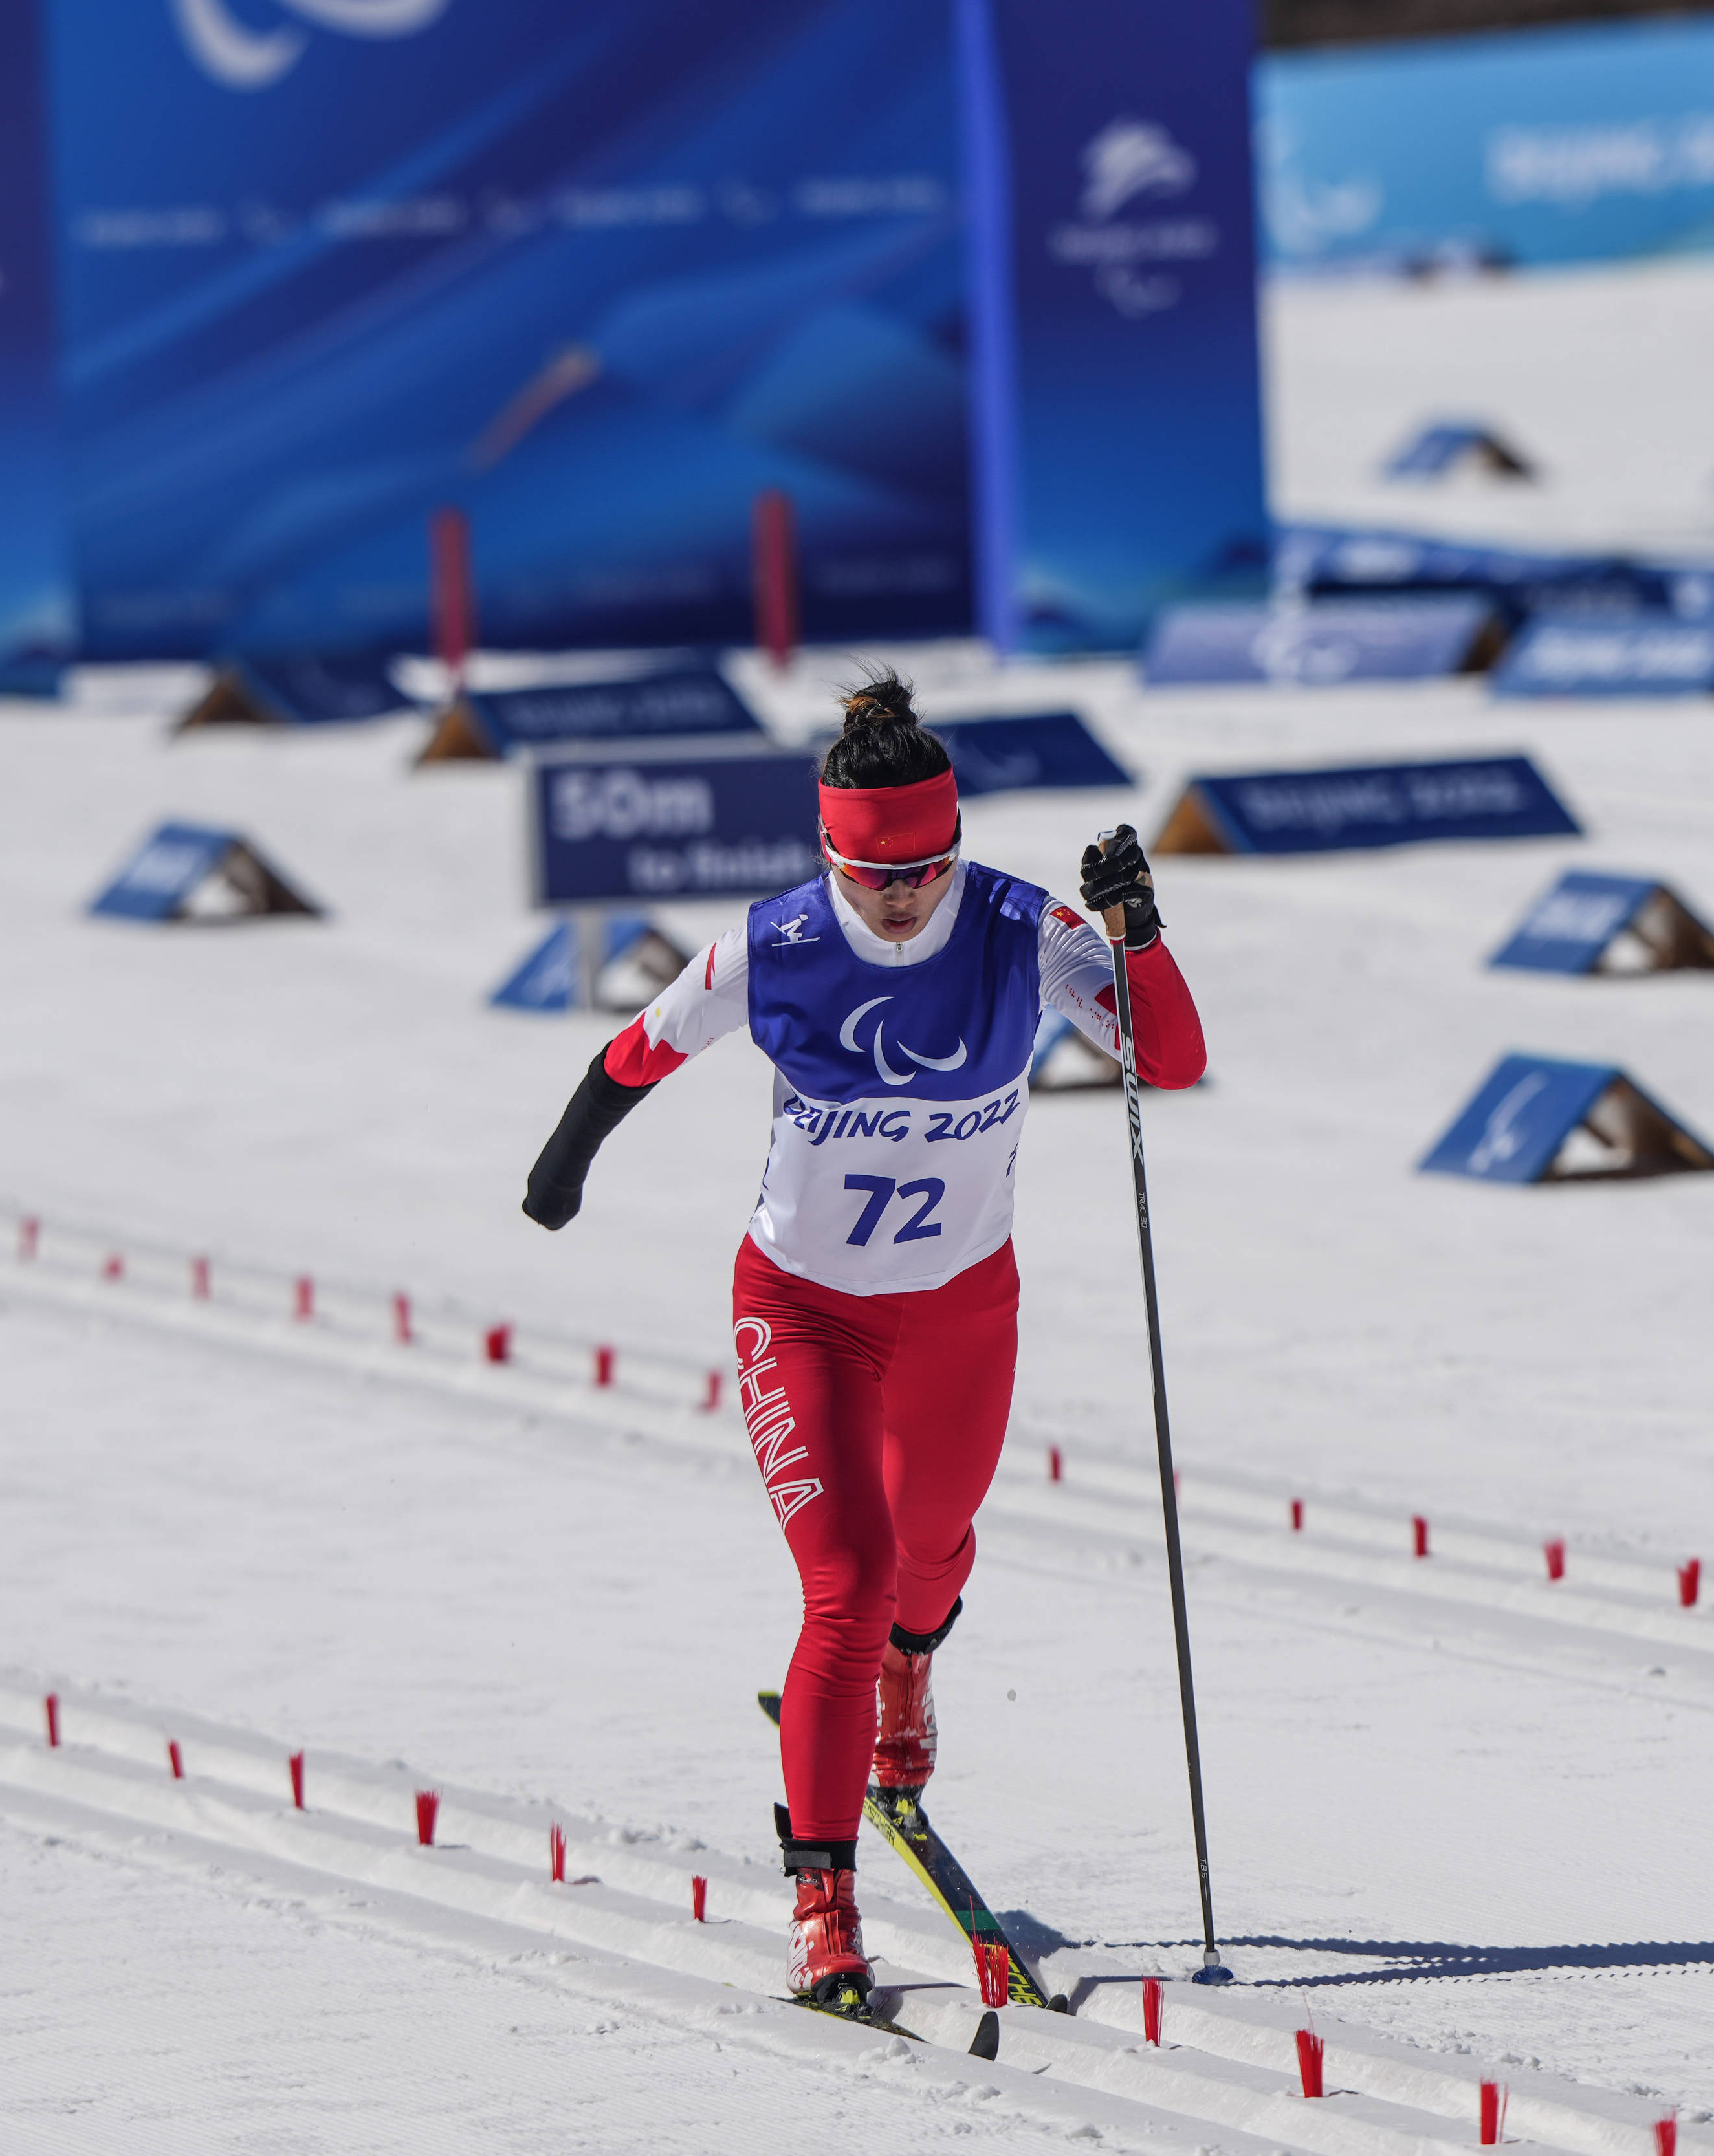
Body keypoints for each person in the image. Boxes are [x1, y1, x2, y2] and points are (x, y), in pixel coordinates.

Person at [516, 668, 1205, 2018]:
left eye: (929, 869)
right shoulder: (776, 944)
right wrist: (562, 1170)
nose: (904, 897)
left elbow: (1167, 1059)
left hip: (960, 1305)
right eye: (873, 874)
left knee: (933, 1554)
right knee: (847, 1580)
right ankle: (821, 1899)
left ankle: (911, 1673)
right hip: (806, 1311)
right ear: (831, 852)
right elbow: (632, 1053)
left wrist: (1140, 936)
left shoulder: (1019, 925)